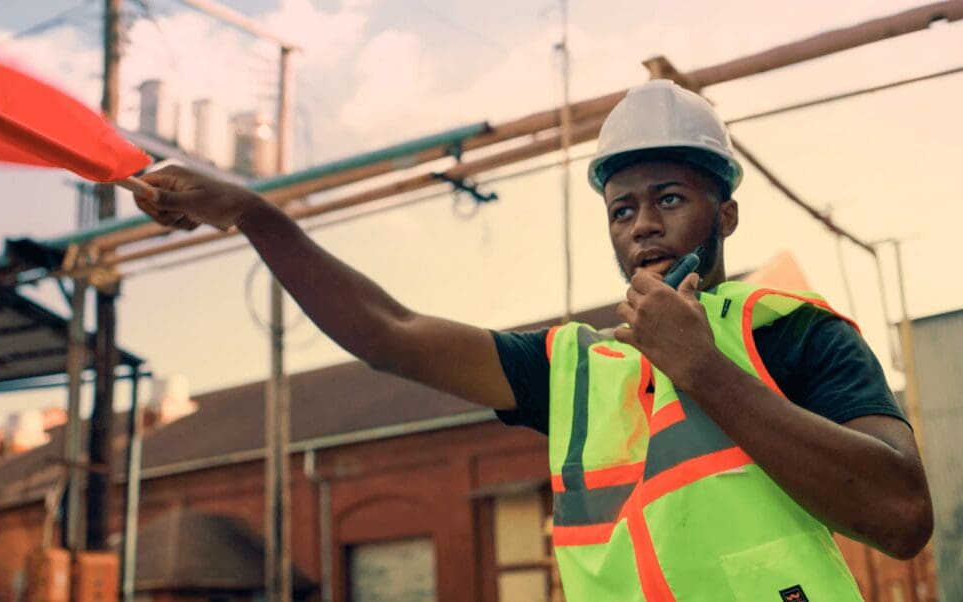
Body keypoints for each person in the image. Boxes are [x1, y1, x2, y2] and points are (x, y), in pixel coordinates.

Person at [133, 80, 932, 601]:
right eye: (622, 209)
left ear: (724, 215)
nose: (644, 224)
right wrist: (254, 218)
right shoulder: (576, 368)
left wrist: (704, 370)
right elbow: (390, 334)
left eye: (669, 198)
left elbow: (901, 517)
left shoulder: (795, 331)